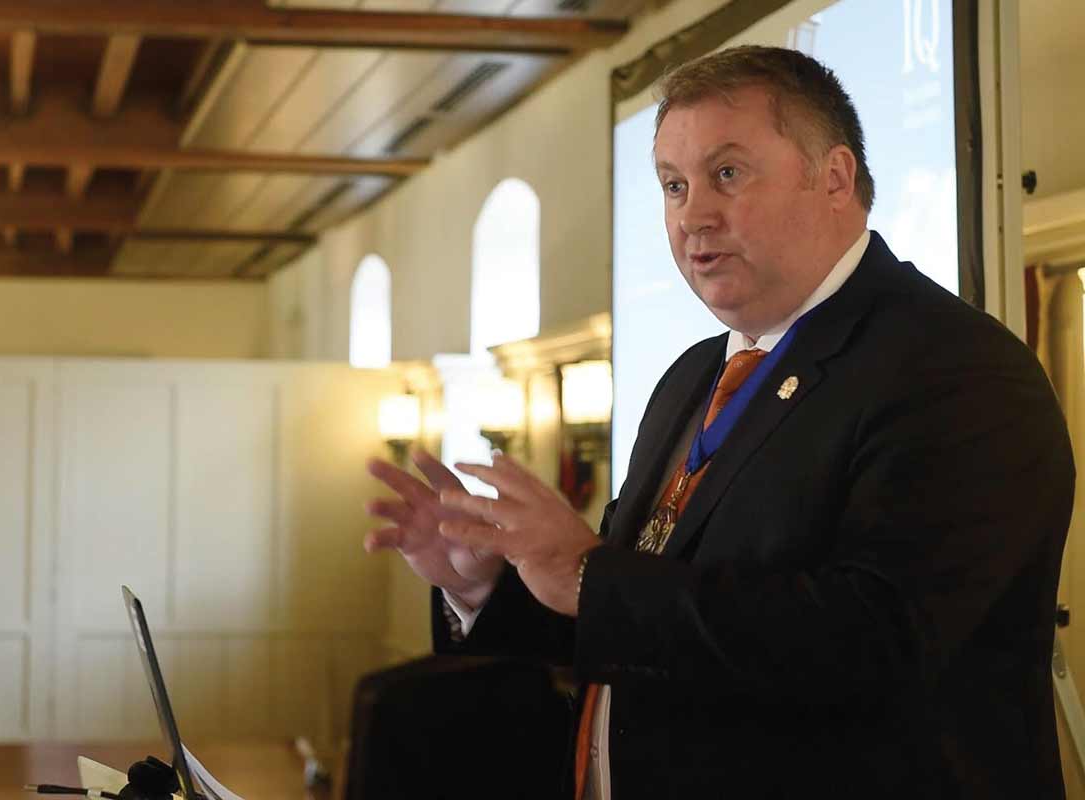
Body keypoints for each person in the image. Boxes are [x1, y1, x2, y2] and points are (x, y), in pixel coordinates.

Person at [365, 45, 1075, 798]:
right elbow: (638, 624)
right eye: (674, 185)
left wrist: (587, 574)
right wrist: (488, 587)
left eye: (727, 174)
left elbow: (877, 642)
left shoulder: (951, 366)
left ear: (834, 177)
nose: (692, 214)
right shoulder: (691, 376)